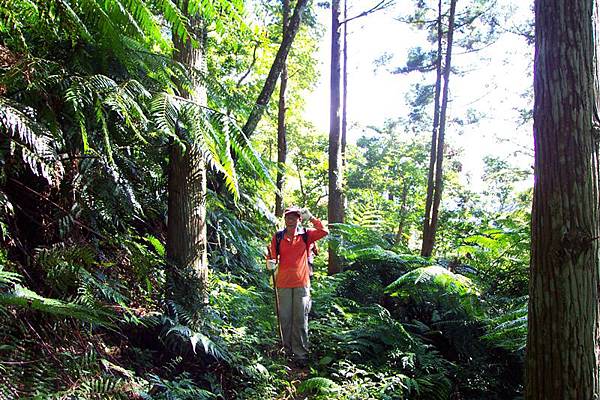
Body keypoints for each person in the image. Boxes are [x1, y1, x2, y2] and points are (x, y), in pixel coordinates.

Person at [267, 206, 328, 367]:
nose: (290, 219)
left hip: (302, 284)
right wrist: (270, 262)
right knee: (285, 318)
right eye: (288, 217)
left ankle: (300, 354)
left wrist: (312, 217)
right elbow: (271, 254)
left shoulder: (306, 235)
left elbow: (324, 232)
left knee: (300, 319)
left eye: (294, 217)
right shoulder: (278, 237)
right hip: (282, 284)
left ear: (299, 219)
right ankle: (286, 351)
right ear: (284, 219)